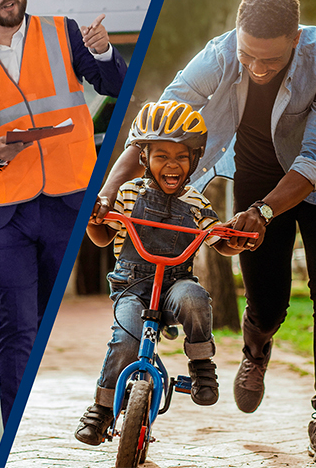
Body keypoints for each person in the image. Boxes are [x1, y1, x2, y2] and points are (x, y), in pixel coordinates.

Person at [95, 0, 316, 463]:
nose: (257, 69)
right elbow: (157, 125)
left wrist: (263, 213)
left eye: (271, 62)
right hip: (257, 174)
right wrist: (110, 188)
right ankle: (256, 349)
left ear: (295, 39)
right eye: (248, 57)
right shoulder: (220, 55)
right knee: (268, 302)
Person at [0, 0, 127, 425]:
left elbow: (114, 86)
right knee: (19, 324)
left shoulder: (63, 33)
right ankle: (14, 426)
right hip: (5, 212)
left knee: (45, 320)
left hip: (66, 202)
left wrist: (106, 52)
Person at [74, 101, 245, 445]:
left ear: (195, 160)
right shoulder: (127, 194)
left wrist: (235, 240)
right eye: (161, 155)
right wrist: (94, 219)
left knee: (195, 300)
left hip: (175, 284)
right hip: (133, 285)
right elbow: (104, 235)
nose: (172, 164)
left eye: (182, 157)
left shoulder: (197, 203)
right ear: (144, 158)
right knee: (125, 340)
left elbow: (217, 239)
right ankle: (102, 408)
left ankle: (201, 365)